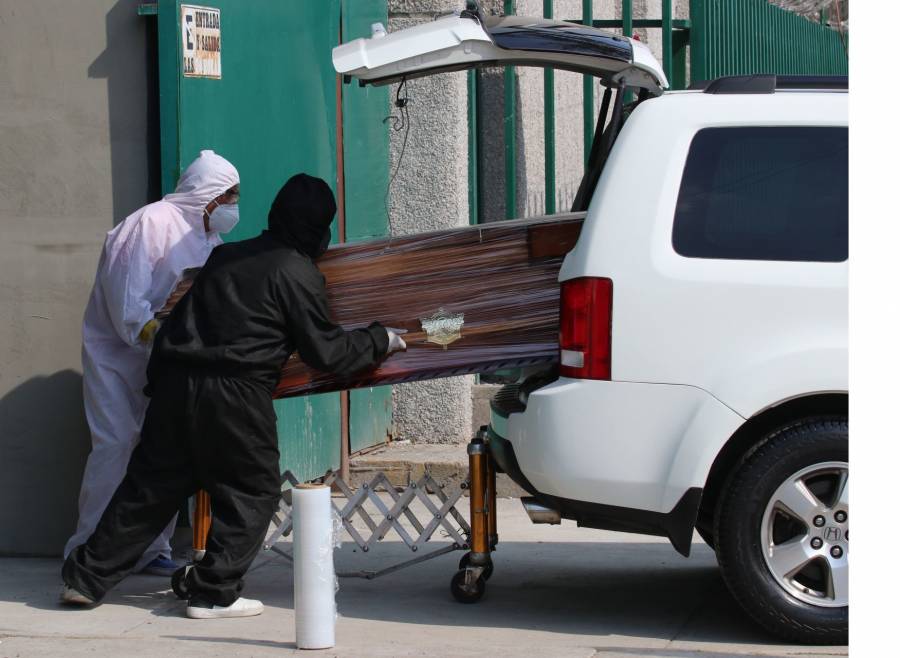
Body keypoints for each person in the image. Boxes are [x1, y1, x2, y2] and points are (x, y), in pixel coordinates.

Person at [61, 173, 407, 618]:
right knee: (252, 491)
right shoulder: (297, 272)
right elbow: (327, 351)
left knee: (148, 490)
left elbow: (177, 325)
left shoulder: (225, 256)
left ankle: (84, 581)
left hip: (176, 387)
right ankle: (212, 592)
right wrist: (380, 339)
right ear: (319, 227)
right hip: (236, 394)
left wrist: (162, 383)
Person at [65, 150, 241, 577]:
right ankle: (88, 549)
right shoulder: (150, 225)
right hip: (119, 359)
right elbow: (127, 304)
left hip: (165, 360)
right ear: (207, 195)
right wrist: (163, 340)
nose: (234, 207)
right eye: (229, 197)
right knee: (117, 445)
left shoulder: (206, 238)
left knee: (158, 450)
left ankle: (148, 549)